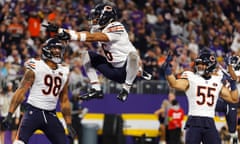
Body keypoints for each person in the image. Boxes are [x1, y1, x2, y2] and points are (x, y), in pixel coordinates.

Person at [44, 2, 141, 102]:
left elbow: (95, 37)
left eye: (97, 16)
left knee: (133, 55)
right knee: (86, 55)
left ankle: (126, 89)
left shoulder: (117, 26)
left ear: (106, 17)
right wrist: (61, 31)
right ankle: (96, 89)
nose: (94, 19)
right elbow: (85, 35)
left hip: (128, 71)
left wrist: (69, 35)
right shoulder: (97, 28)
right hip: (113, 70)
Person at [1, 37, 76, 144]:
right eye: (54, 48)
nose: (57, 51)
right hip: (33, 112)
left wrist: (68, 123)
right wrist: (10, 114)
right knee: (19, 142)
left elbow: (64, 100)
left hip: (51, 114)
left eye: (59, 48)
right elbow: (21, 91)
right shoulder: (36, 65)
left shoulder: (64, 71)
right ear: (47, 49)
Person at [162, 49, 239, 144]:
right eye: (198, 64)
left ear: (210, 65)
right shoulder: (191, 78)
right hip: (194, 121)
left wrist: (233, 84)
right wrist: (167, 70)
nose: (199, 66)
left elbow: (234, 99)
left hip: (210, 122)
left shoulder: (216, 82)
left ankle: (233, 134)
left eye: (202, 64)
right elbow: (174, 83)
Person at [215, 55, 240, 144]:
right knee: (209, 106)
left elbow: (235, 78)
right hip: (223, 100)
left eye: (232, 63)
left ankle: (234, 140)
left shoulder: (236, 71)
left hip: (233, 102)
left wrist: (227, 69)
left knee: (232, 130)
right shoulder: (224, 71)